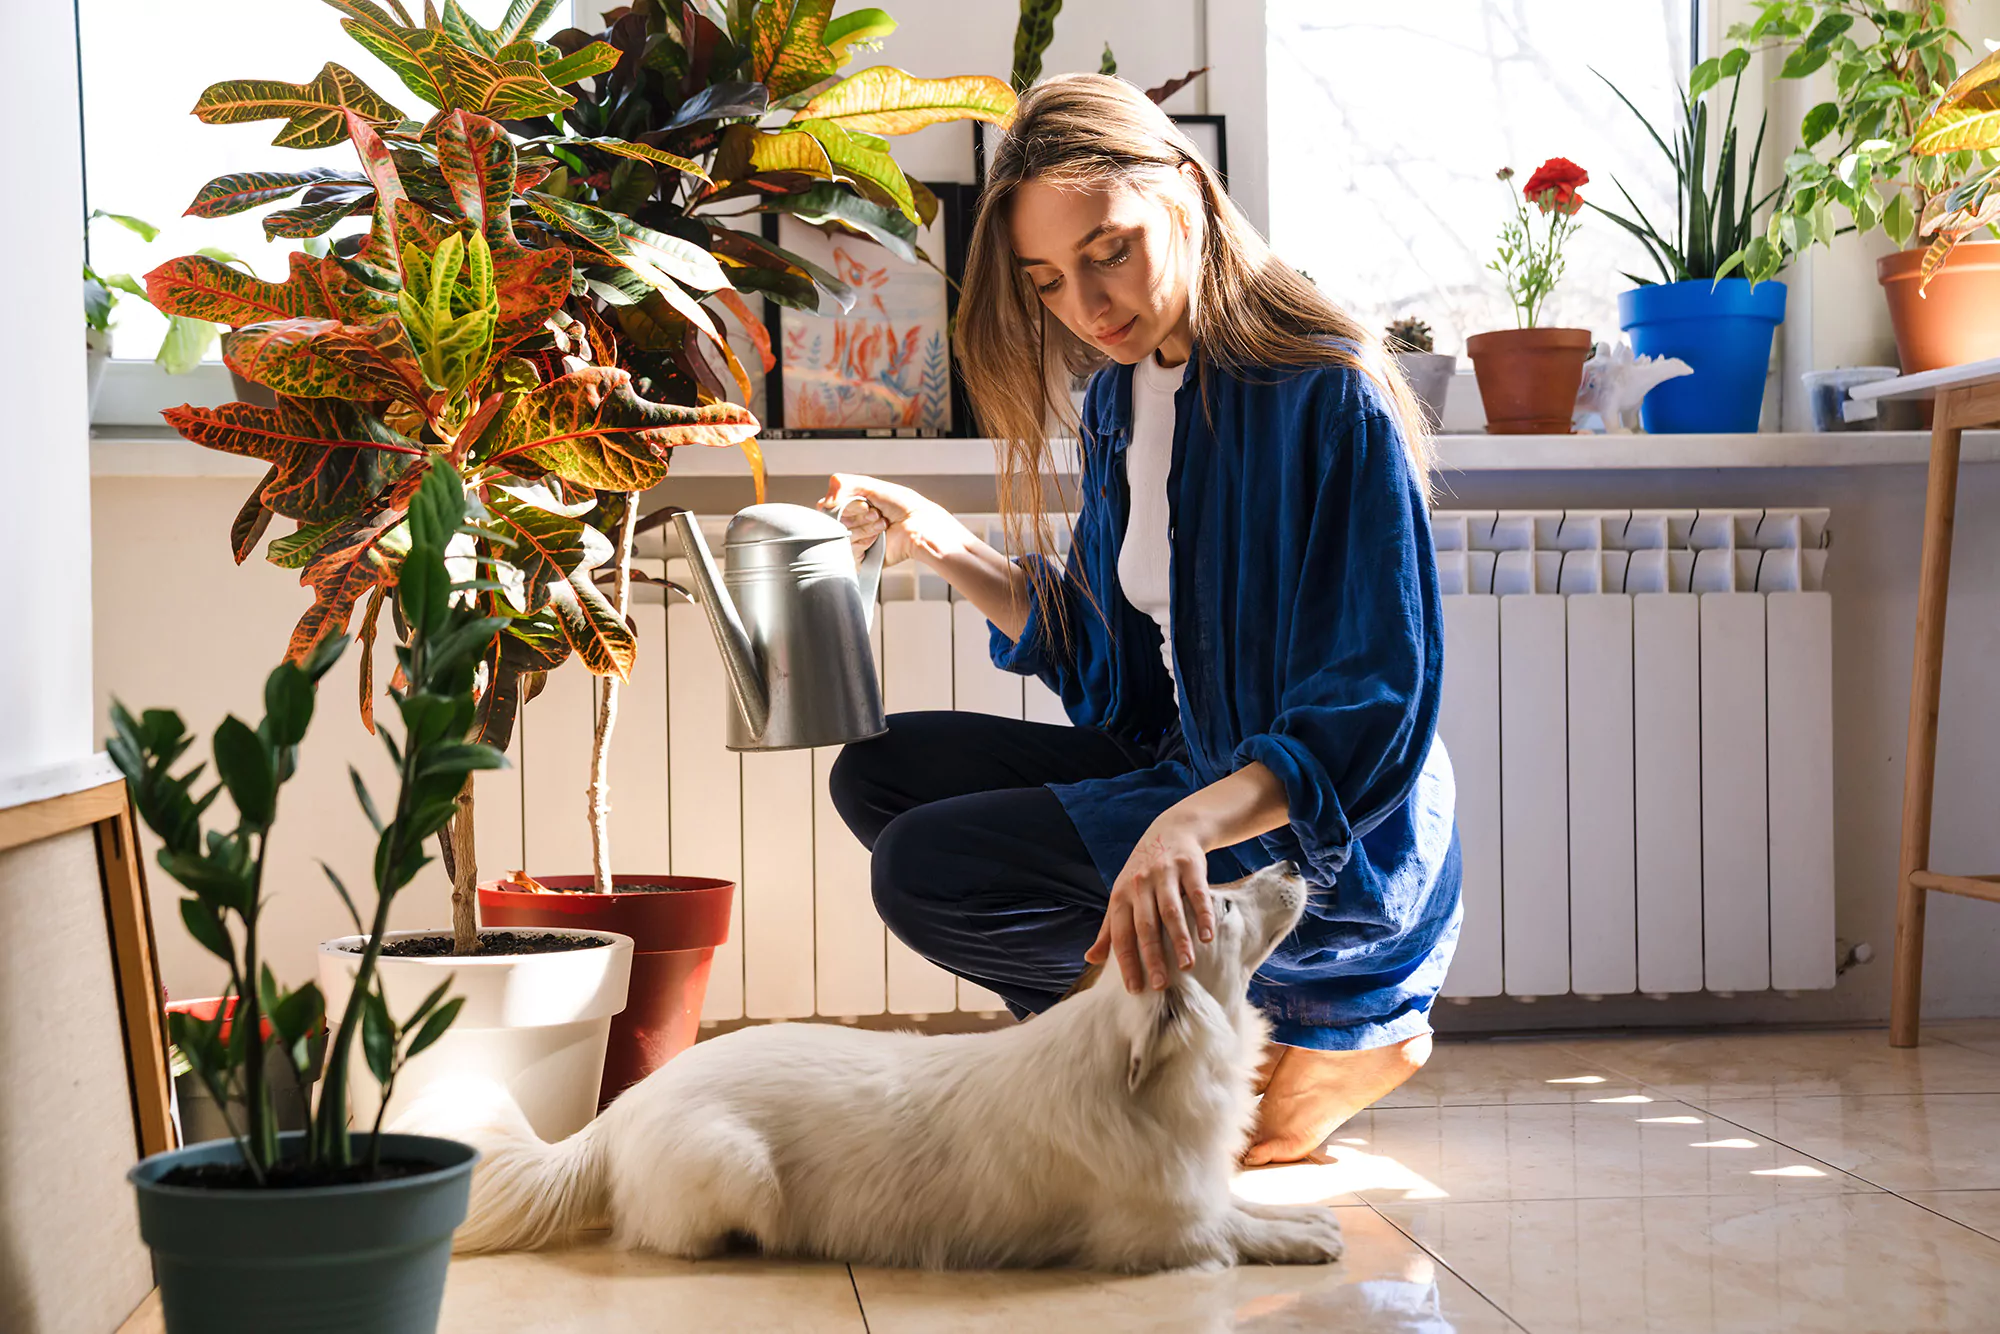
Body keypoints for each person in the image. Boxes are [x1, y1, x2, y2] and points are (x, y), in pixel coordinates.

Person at [823, 72, 1459, 1166]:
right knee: (879, 772)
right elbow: (1118, 671)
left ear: (1185, 189)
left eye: (1107, 249)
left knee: (927, 867)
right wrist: (945, 543)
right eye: (1048, 281)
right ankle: (1174, 1053)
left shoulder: (1325, 387)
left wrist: (1185, 824)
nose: (1087, 304)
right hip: (1189, 771)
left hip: (1328, 839)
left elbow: (1373, 705)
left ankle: (1269, 1046)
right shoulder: (1126, 394)